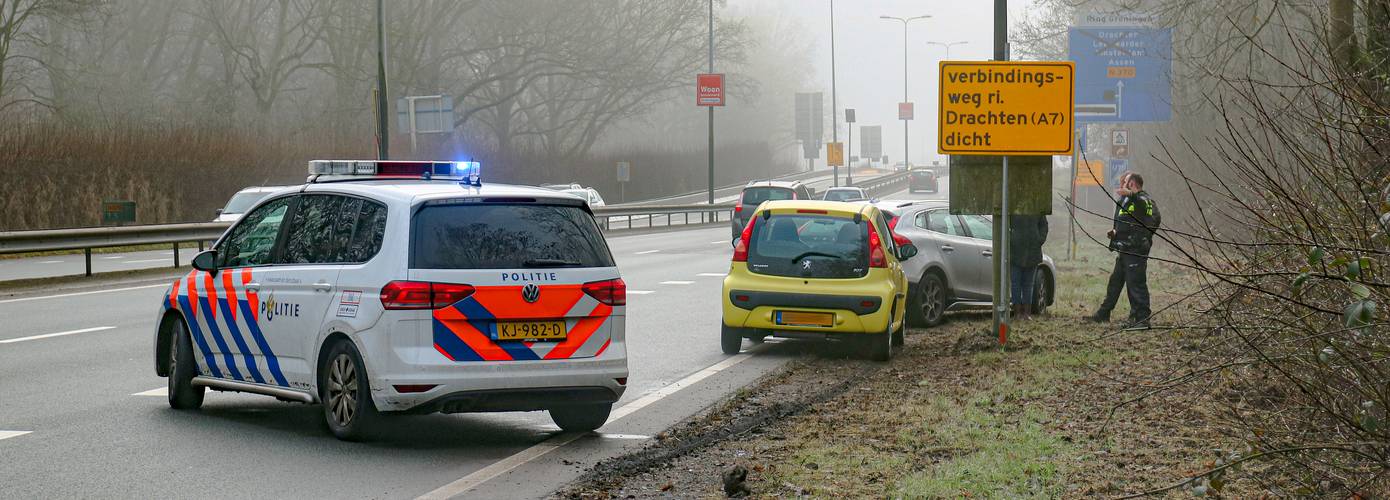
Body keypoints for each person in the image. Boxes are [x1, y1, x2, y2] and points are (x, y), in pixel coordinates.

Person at [1088, 171, 1161, 329]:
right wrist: (1115, 232)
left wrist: (1140, 239)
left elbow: (1152, 219)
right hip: (1123, 250)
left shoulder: (1144, 199)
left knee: (1136, 285)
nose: (1122, 184)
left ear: (1133, 184)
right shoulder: (1126, 201)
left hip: (1136, 251)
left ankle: (1141, 319)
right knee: (1115, 283)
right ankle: (1103, 314)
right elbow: (1124, 222)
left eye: (1125, 181)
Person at [1008, 214, 1048, 320]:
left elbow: (1044, 225)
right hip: (1015, 252)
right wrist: (1011, 239)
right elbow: (1004, 223)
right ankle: (1017, 313)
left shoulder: (1036, 205)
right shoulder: (1013, 204)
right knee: (1015, 283)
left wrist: (1039, 239)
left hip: (1032, 251)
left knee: (1028, 284)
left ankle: (1026, 313)